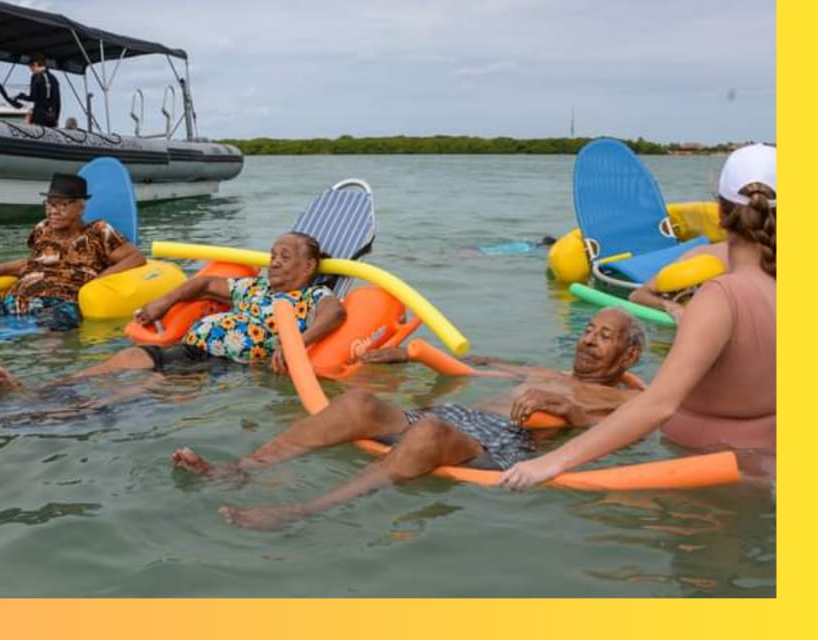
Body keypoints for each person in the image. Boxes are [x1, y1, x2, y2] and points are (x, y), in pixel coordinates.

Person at [183, 307, 648, 529]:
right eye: (588, 330)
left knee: (428, 432)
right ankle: (241, 470)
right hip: (454, 414)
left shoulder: (625, 400)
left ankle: (299, 512)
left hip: (502, 446)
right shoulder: (543, 371)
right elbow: (478, 364)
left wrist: (572, 409)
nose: (588, 340)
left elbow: (631, 432)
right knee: (358, 402)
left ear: (630, 354)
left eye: (604, 336)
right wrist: (409, 353)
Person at [501, 143, 775, 487]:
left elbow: (658, 406)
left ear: (720, 213)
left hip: (705, 478)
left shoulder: (721, 297)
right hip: (759, 470)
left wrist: (552, 462)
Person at [0, 229, 347, 400]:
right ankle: (38, 391)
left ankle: (56, 416)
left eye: (285, 256)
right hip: (188, 348)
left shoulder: (314, 295)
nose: (274, 261)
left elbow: (335, 313)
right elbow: (206, 283)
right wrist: (163, 302)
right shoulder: (254, 287)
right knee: (126, 357)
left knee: (144, 387)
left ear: (309, 265)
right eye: (272, 254)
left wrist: (298, 343)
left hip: (225, 366)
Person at [0, 172, 146, 327]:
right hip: (16, 301)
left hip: (59, 305)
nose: (52, 211)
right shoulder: (43, 229)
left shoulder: (98, 231)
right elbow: (32, 263)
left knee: (50, 343)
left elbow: (135, 257)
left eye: (61, 204)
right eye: (49, 204)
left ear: (80, 206)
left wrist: (98, 281)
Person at [26, 56, 60, 129]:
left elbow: (33, 97)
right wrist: (56, 118)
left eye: (31, 68)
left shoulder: (36, 77)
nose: (31, 70)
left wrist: (21, 96)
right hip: (51, 117)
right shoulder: (54, 78)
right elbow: (58, 101)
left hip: (39, 116)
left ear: (35, 64)